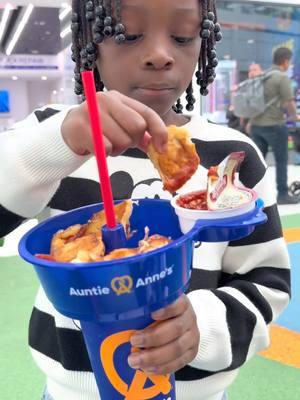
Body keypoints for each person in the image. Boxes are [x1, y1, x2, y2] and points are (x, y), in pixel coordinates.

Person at [0, 1, 290, 400]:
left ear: (202, 44)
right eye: (129, 34)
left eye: (184, 36)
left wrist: (201, 329)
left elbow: (266, 281)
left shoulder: (232, 157)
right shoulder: (52, 139)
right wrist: (56, 145)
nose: (159, 55)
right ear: (89, 42)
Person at [250, 47, 300, 204]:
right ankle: (283, 194)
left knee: (258, 161)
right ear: (285, 61)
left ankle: (252, 193)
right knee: (281, 160)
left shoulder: (263, 76)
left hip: (257, 125)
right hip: (275, 126)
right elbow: (288, 103)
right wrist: (296, 117)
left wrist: (249, 122)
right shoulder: (282, 78)